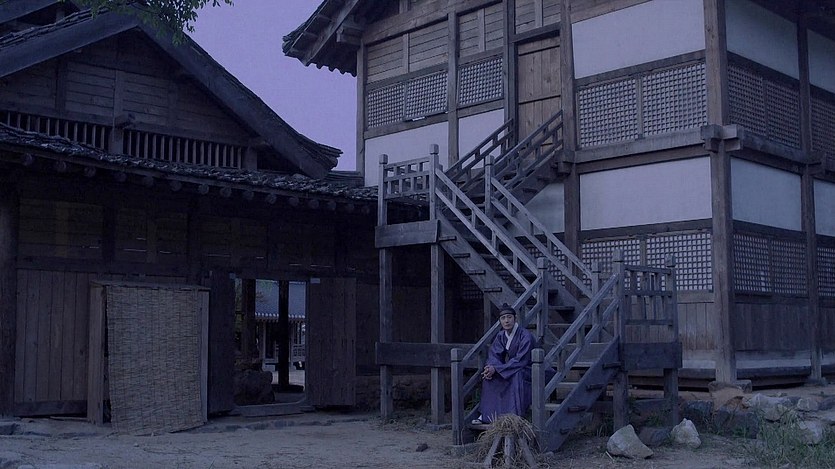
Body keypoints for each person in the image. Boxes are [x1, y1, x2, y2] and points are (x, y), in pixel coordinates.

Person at [472, 304, 535, 424]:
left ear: (515, 318)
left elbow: (521, 360)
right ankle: (487, 416)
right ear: (500, 321)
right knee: (490, 378)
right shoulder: (501, 335)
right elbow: (494, 355)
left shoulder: (525, 336)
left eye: (509, 317)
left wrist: (497, 369)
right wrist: (491, 368)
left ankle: (513, 417)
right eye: (503, 318)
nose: (506, 321)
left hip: (529, 369)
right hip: (511, 368)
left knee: (516, 376)